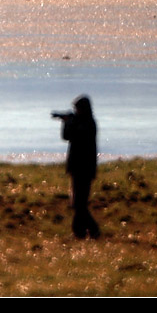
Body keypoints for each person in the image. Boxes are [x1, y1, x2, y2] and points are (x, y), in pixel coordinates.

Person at [54, 95, 101, 239]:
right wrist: (66, 122)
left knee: (79, 204)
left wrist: (69, 122)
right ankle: (80, 233)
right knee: (78, 204)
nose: (76, 111)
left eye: (77, 108)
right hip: (78, 168)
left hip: (84, 169)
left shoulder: (88, 124)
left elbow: (75, 134)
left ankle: (92, 230)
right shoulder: (83, 122)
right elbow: (66, 136)